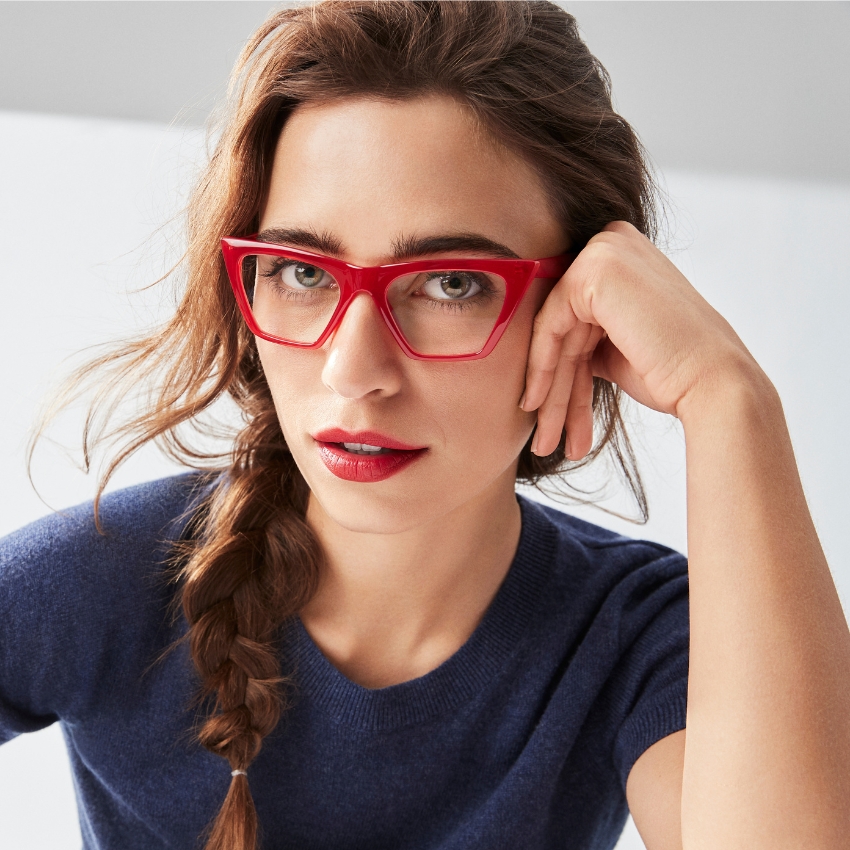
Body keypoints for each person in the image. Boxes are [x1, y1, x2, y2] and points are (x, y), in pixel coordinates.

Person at [1, 2, 848, 849]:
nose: (353, 372)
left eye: (451, 284)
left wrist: (730, 399)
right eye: (301, 270)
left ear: (586, 309)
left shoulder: (643, 635)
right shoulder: (101, 581)